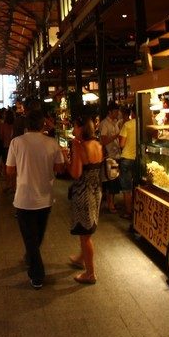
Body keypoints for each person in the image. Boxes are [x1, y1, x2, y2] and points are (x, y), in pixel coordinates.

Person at [6, 109, 65, 289]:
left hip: (23, 198)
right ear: (42, 124)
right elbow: (60, 169)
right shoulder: (52, 143)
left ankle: (37, 274)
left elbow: (9, 170)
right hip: (45, 198)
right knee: (37, 236)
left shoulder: (16, 142)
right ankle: (33, 261)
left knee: (30, 238)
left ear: (26, 125)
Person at [67, 116, 103, 284]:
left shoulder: (80, 147)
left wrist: (67, 157)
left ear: (81, 129)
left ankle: (90, 273)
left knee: (85, 236)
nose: (73, 130)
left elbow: (75, 173)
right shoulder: (98, 145)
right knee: (87, 231)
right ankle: (82, 258)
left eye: (75, 126)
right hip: (96, 191)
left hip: (83, 194)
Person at [98, 102, 122, 213]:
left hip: (116, 155)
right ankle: (110, 204)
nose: (118, 113)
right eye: (116, 111)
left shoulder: (116, 123)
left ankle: (111, 202)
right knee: (110, 181)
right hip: (109, 156)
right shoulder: (104, 124)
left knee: (114, 180)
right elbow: (103, 141)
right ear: (110, 112)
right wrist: (116, 136)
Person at [116, 105, 138, 218]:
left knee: (126, 188)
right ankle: (136, 210)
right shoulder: (143, 124)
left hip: (127, 158)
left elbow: (121, 144)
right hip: (138, 159)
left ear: (132, 113)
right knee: (136, 186)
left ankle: (128, 212)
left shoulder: (127, 125)